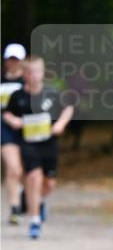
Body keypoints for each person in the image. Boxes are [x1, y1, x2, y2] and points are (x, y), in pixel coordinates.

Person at [3, 56, 74, 239]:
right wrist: (14, 121)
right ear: (25, 74)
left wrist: (61, 124)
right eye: (30, 72)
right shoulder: (18, 96)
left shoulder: (52, 92)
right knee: (33, 177)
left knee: (49, 184)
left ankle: (40, 201)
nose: (34, 76)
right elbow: (6, 114)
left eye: (37, 71)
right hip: (27, 143)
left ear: (43, 73)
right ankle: (35, 221)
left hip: (48, 144)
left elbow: (68, 108)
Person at [1, 43, 26, 224]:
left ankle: (26, 195)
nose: (13, 63)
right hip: (4, 128)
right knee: (13, 167)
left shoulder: (28, 82)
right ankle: (15, 207)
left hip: (27, 128)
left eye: (16, 59)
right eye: (10, 59)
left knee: (22, 170)